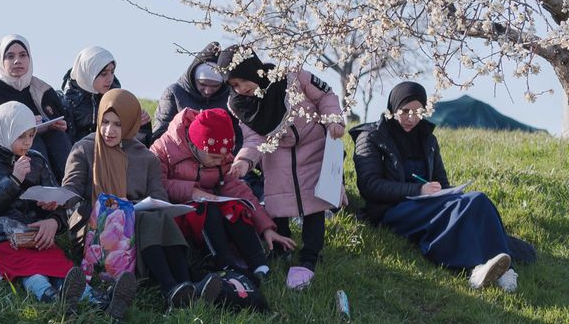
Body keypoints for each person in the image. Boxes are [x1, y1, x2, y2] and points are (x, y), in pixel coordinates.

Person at [350, 81, 534, 290]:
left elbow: (442, 181)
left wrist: (449, 193)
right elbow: (369, 185)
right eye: (405, 111)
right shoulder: (371, 137)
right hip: (392, 209)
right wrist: (417, 190)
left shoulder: (427, 139)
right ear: (393, 108)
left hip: (428, 204)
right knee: (466, 208)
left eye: (418, 112)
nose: (412, 118)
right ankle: (476, 268)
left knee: (477, 200)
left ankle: (503, 269)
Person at [64, 89, 216, 312]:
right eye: (105, 122)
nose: (109, 130)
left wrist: (132, 207)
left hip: (137, 224)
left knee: (156, 214)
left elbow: (159, 198)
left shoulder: (146, 157)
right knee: (145, 218)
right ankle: (173, 286)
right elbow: (70, 190)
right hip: (96, 227)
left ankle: (185, 285)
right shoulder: (85, 148)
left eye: (117, 124)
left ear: (130, 122)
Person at [218, 46, 345, 290]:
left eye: (242, 80)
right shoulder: (240, 104)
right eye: (233, 85)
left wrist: (333, 120)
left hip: (313, 145)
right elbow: (254, 138)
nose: (240, 88)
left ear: (252, 70)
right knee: (279, 203)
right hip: (276, 154)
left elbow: (325, 96)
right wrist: (244, 160)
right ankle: (281, 250)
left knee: (315, 204)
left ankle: (310, 255)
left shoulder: (292, 77)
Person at [0, 101, 91, 304]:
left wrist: (54, 219)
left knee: (60, 267)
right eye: (21, 136)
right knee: (29, 270)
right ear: (4, 130)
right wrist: (13, 181)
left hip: (35, 238)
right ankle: (50, 298)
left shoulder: (36, 160)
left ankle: (96, 299)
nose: (28, 142)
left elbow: (57, 201)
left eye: (31, 135)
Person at [151, 106, 292, 281]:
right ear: (196, 145)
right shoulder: (164, 148)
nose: (220, 161)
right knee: (206, 208)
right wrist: (192, 191)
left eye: (222, 157)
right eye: (213, 157)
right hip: (179, 213)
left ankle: (259, 265)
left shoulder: (222, 155)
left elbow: (241, 192)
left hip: (214, 210)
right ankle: (224, 265)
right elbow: (156, 183)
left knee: (235, 206)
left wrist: (266, 228)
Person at [0, 35, 72, 169]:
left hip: (44, 143)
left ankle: (72, 186)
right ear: (1, 60)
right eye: (10, 56)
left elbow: (63, 125)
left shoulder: (43, 90)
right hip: (1, 154)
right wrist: (21, 127)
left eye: (23, 55)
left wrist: (59, 125)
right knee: (30, 141)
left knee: (58, 136)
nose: (17, 61)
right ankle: (43, 187)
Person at [59, 46, 150, 141]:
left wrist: (136, 125)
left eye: (112, 72)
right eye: (104, 74)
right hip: (81, 153)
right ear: (88, 73)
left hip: (113, 152)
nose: (110, 78)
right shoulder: (66, 103)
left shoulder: (118, 99)